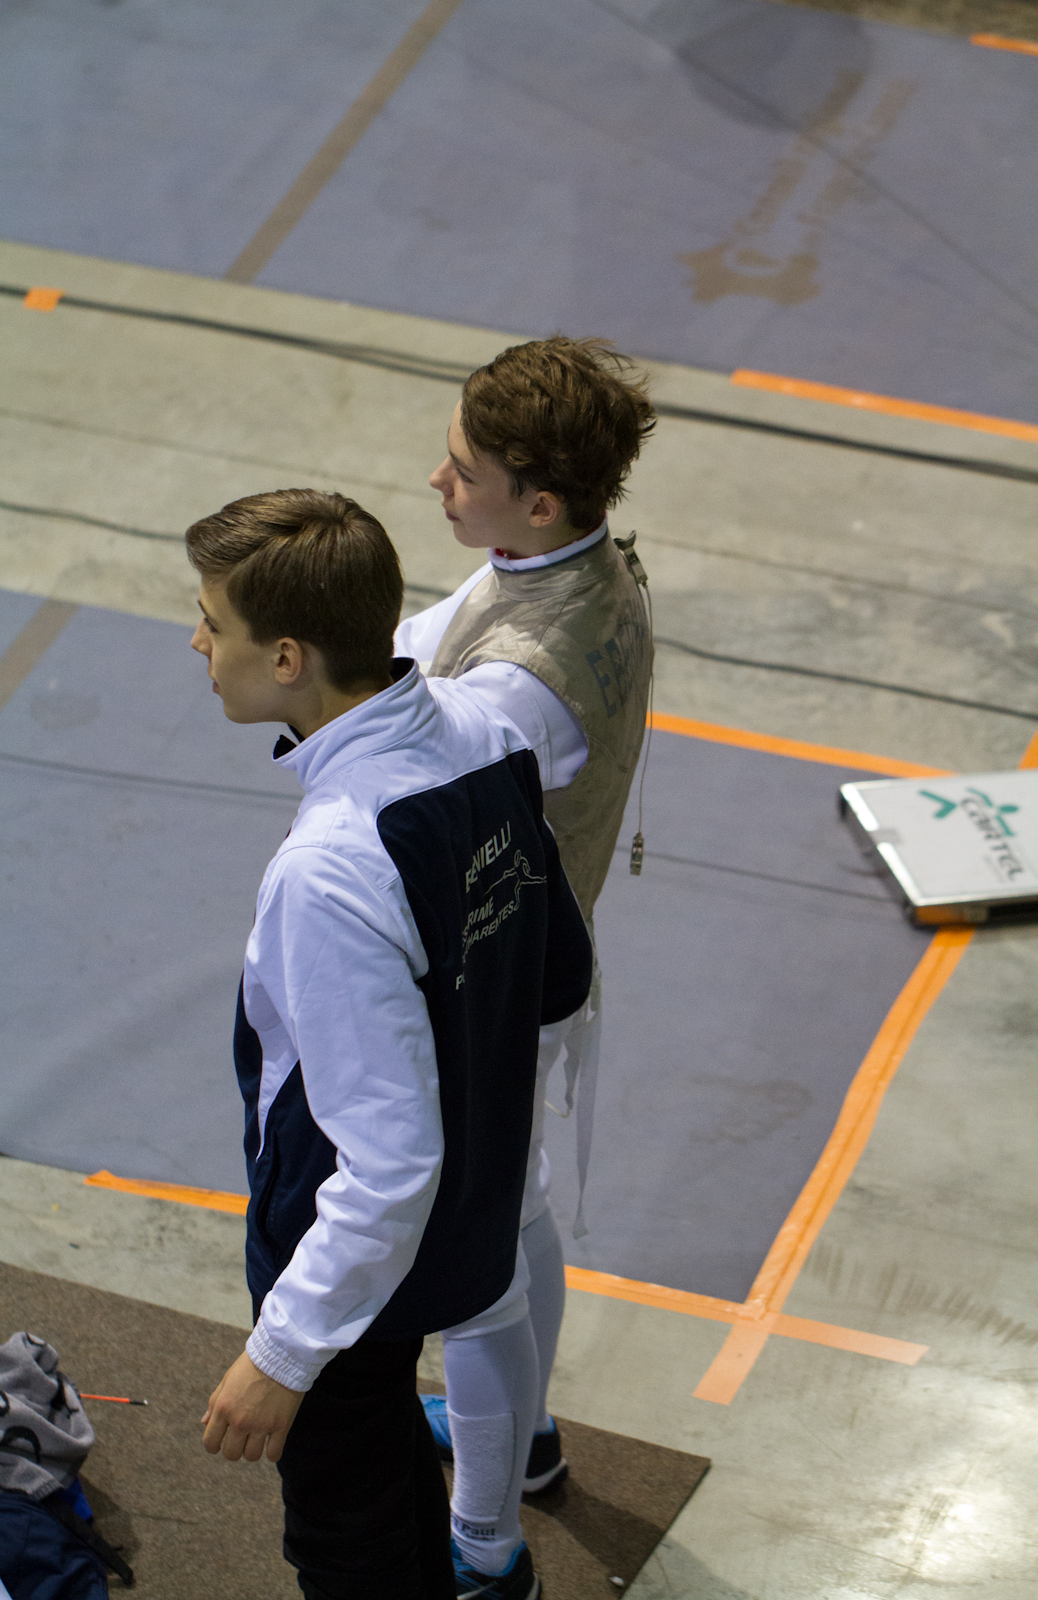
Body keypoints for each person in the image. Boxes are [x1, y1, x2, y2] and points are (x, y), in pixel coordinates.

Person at [189, 488, 592, 1600]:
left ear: (286, 658)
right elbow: (557, 970)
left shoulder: (329, 867)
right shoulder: (489, 735)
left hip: (348, 1255)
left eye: (212, 624)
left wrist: (282, 1353)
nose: (196, 643)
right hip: (468, 1215)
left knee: (349, 1544)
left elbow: (384, 1162)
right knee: (392, 1475)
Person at [394, 336, 655, 1591]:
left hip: (496, 994)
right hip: (535, 959)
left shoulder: (518, 689)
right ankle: (529, 1438)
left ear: (537, 498)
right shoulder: (572, 563)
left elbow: (392, 763)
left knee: (474, 1267)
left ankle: (486, 1551)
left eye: (461, 469)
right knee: (519, 1205)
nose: (436, 480)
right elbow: (427, 635)